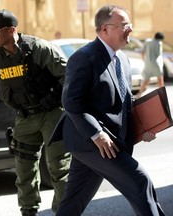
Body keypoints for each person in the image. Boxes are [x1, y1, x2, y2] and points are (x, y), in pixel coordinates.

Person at [50, 5, 165, 215]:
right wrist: (97, 134)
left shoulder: (122, 58)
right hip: (92, 142)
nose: (130, 29)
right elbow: (72, 101)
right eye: (124, 25)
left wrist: (143, 128)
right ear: (105, 29)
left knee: (74, 199)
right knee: (140, 181)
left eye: (130, 24)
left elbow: (124, 102)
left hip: (110, 141)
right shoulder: (83, 57)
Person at [0, 9, 71, 216]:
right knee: (24, 168)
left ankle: (65, 211)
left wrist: (54, 97)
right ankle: (28, 210)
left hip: (51, 114)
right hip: (24, 118)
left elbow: (69, 76)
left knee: (59, 168)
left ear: (12, 30)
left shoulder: (40, 49)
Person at [136, 32, 165, 98]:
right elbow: (159, 54)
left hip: (148, 64)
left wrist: (144, 60)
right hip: (157, 64)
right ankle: (162, 95)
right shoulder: (159, 43)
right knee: (160, 80)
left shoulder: (147, 41)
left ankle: (139, 94)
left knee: (145, 80)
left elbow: (142, 52)